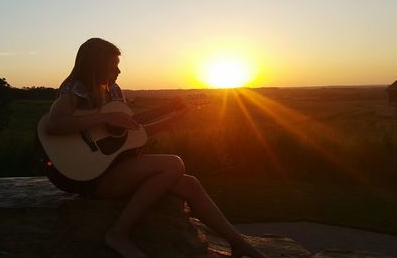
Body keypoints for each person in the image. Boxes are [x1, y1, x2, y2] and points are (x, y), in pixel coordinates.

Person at [39, 38, 267, 258]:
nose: (118, 72)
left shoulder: (113, 92)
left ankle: (238, 243)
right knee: (173, 163)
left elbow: (135, 135)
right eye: (112, 67)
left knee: (189, 183)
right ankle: (118, 234)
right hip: (91, 177)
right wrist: (103, 117)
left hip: (115, 169)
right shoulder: (75, 88)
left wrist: (177, 116)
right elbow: (55, 124)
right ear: (95, 66)